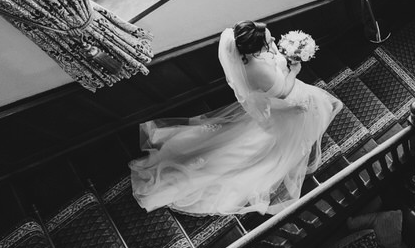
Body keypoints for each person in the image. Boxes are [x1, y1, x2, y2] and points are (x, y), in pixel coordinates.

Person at [130, 21, 343, 216]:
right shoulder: (258, 70)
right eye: (269, 41)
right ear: (256, 48)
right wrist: (294, 70)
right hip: (287, 107)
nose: (274, 42)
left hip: (276, 101)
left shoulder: (250, 55)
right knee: (269, 149)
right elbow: (284, 93)